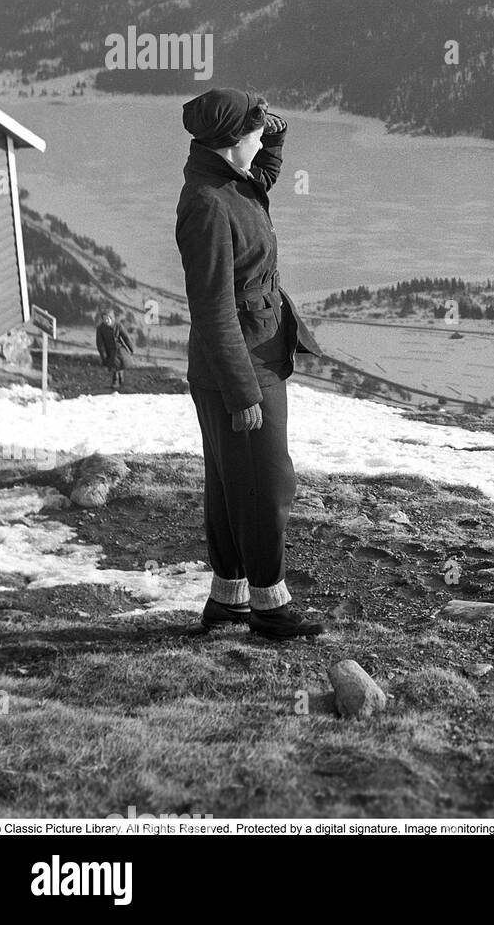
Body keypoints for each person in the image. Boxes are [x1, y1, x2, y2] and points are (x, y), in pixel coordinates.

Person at [176, 87, 326, 640]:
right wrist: (243, 394)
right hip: (238, 368)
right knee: (267, 481)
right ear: (228, 143)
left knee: (230, 481)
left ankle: (229, 598)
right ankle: (269, 605)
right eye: (254, 133)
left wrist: (275, 133)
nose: (261, 138)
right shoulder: (208, 206)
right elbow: (212, 308)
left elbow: (259, 180)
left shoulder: (225, 182)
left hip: (247, 356)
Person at [95, 311, 134, 391]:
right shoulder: (100, 329)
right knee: (114, 364)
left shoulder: (118, 325)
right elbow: (100, 344)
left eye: (108, 318)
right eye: (104, 318)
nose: (106, 320)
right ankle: (115, 380)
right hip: (109, 350)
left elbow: (126, 337)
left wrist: (130, 348)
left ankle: (120, 376)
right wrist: (104, 356)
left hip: (119, 348)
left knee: (121, 362)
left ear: (111, 318)